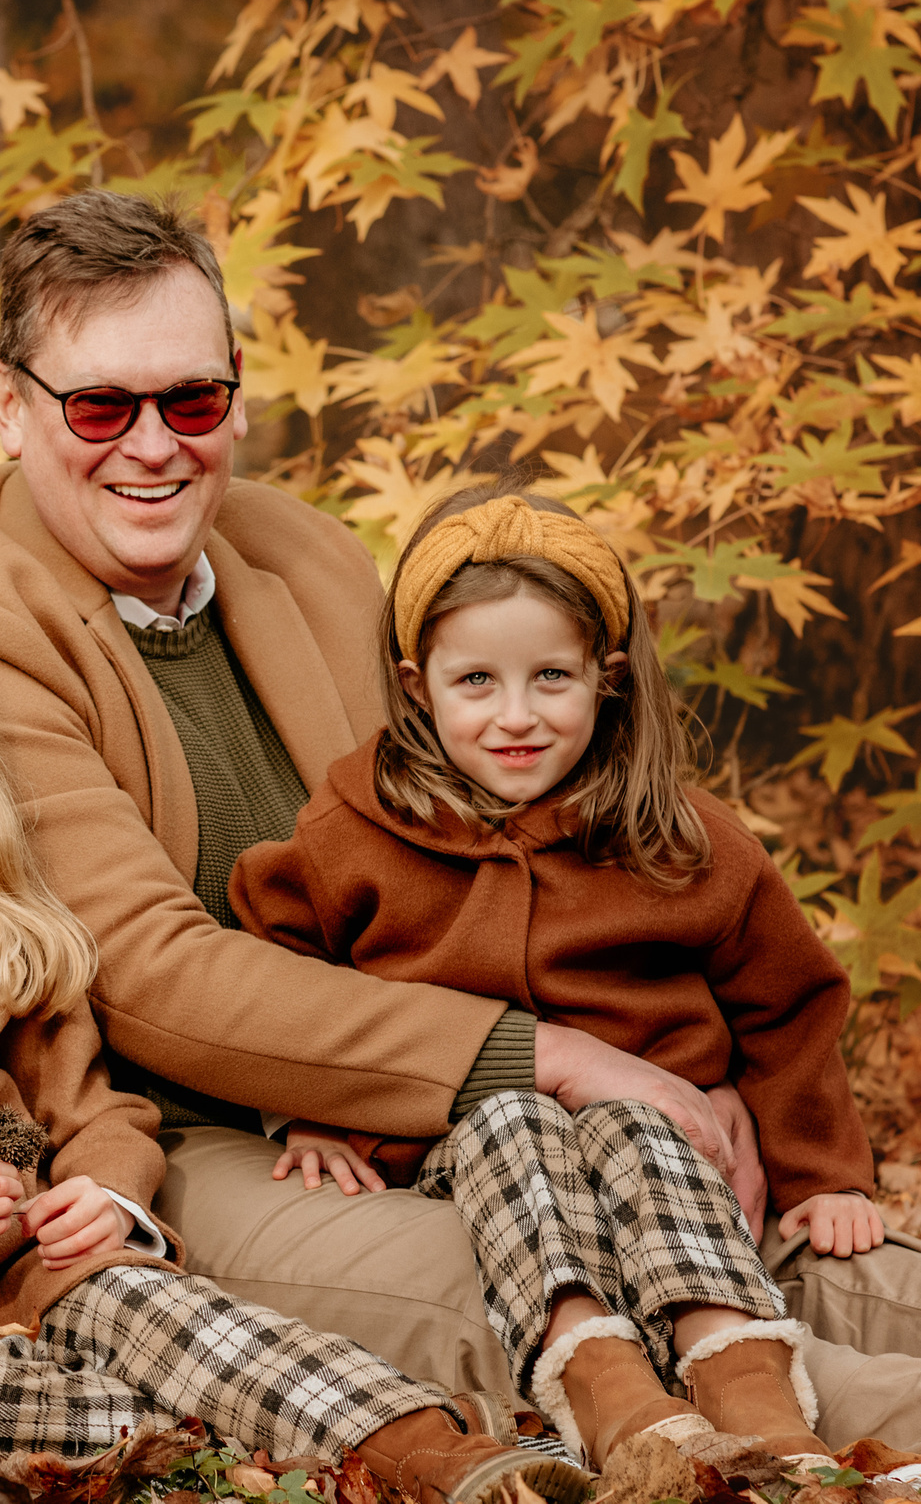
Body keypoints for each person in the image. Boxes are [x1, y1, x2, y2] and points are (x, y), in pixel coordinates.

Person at [0, 187, 921, 1453]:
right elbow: (152, 978)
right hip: (192, 1129)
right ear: (8, 408)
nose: (154, 444)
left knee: (693, 1213)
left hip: (449, 1060)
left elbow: (479, 831)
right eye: (101, 403)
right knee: (558, 1278)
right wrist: (564, 1057)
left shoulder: (299, 553)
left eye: (193, 396)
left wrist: (654, 1042)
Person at [0, 551, 592, 1504]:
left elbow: (92, 1109)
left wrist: (104, 1196)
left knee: (175, 1317)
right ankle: (224, 1452)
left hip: (43, 1269)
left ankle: (432, 1452)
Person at [228, 484, 867, 1468]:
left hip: (661, 1140)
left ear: (607, 678)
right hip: (457, 1142)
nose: (515, 716)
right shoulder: (349, 831)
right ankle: (600, 1375)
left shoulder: (682, 839)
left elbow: (787, 1004)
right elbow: (285, 972)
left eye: (552, 677)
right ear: (416, 685)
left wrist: (823, 1173)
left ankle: (738, 1371)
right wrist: (316, 1105)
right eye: (475, 680)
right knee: (510, 1112)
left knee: (641, 1120)